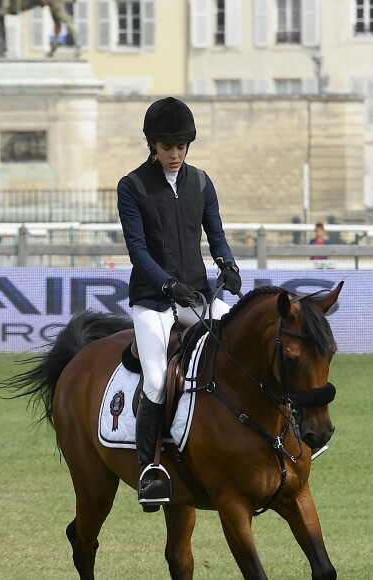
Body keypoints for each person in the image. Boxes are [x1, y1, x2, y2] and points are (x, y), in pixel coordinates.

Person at [117, 97, 242, 510]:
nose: (175, 155)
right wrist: (168, 286)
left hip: (197, 296)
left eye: (181, 147)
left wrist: (227, 263)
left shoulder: (202, 183)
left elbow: (216, 234)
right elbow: (137, 250)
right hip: (154, 301)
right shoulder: (132, 186)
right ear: (152, 144)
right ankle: (148, 470)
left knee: (236, 344)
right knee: (155, 379)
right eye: (167, 147)